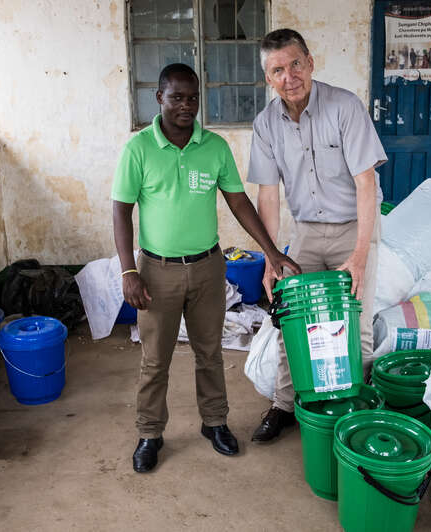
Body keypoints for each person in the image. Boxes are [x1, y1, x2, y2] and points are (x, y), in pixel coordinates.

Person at [111, 63, 300, 473]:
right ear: (158, 98)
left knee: (209, 352)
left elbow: (239, 202)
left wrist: (271, 252)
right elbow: (121, 211)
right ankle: (149, 433)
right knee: (154, 358)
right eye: (176, 97)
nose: (186, 105)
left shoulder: (213, 147)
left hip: (208, 268)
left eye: (192, 97)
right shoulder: (138, 149)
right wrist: (129, 271)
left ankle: (214, 423)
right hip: (155, 271)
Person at [247, 29, 387, 443]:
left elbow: (366, 185)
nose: (288, 76)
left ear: (310, 62)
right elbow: (268, 196)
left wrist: (360, 254)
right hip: (306, 232)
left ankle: (354, 408)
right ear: (268, 79)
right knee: (292, 319)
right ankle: (284, 405)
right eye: (277, 70)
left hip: (354, 228)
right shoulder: (265, 124)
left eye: (295, 64)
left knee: (355, 323)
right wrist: (272, 257)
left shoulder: (345, 107)